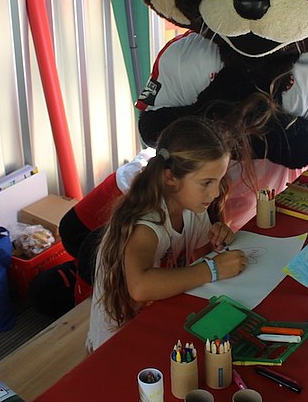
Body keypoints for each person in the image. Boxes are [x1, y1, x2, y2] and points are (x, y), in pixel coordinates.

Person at [86, 117, 249, 351]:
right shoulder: (147, 222)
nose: (215, 193)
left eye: (218, 180)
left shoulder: (192, 207)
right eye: (206, 183)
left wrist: (218, 242)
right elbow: (140, 287)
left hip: (156, 317)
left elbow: (203, 258)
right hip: (115, 343)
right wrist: (213, 269)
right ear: (170, 177)